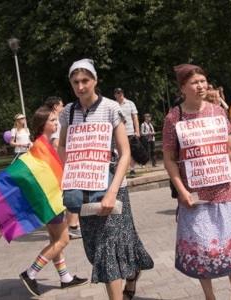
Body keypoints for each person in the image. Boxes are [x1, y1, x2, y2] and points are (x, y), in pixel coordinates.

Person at [58, 59, 153, 300]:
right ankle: (132, 273)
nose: (80, 86)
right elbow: (61, 145)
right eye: (75, 81)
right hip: (84, 189)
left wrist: (112, 192)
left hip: (112, 188)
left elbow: (125, 153)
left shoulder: (111, 108)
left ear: (95, 81)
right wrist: (68, 173)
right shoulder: (68, 112)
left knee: (108, 250)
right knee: (94, 249)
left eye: (85, 81)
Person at [163, 63, 231, 300]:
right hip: (195, 196)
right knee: (203, 248)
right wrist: (182, 191)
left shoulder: (217, 112)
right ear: (183, 87)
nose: (201, 86)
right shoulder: (173, 118)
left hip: (225, 189)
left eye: (203, 81)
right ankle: (209, 295)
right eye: (194, 82)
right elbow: (169, 159)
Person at [19, 106, 88, 297]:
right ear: (43, 124)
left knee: (54, 240)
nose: (56, 123)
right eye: (52, 120)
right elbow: (42, 176)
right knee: (63, 239)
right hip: (52, 202)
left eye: (56, 120)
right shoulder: (41, 146)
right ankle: (30, 273)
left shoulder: (43, 144)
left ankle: (65, 278)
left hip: (49, 201)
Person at [44, 96, 82, 239]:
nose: (63, 106)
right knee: (70, 192)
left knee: (67, 193)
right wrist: (62, 164)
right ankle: (72, 226)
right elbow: (55, 143)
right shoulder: (55, 120)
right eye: (61, 104)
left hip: (56, 163)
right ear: (55, 106)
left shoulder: (52, 119)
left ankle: (70, 224)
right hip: (59, 163)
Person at [114, 87, 140, 178]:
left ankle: (132, 169)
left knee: (131, 152)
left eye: (121, 92)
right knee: (119, 152)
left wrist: (137, 131)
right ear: (115, 95)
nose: (120, 94)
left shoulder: (130, 103)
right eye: (118, 93)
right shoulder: (114, 105)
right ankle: (121, 170)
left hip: (130, 131)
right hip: (118, 132)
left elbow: (135, 117)